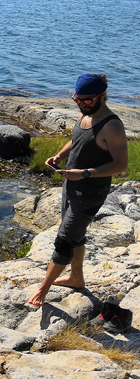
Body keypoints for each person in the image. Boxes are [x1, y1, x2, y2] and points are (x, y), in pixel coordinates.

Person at [28, 74, 128, 307]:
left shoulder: (112, 125)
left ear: (102, 95)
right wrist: (60, 155)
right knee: (77, 236)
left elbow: (121, 166)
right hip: (70, 185)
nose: (82, 104)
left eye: (87, 100)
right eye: (77, 99)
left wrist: (84, 173)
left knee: (64, 240)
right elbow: (77, 139)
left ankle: (43, 289)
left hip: (90, 193)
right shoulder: (85, 114)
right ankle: (76, 278)